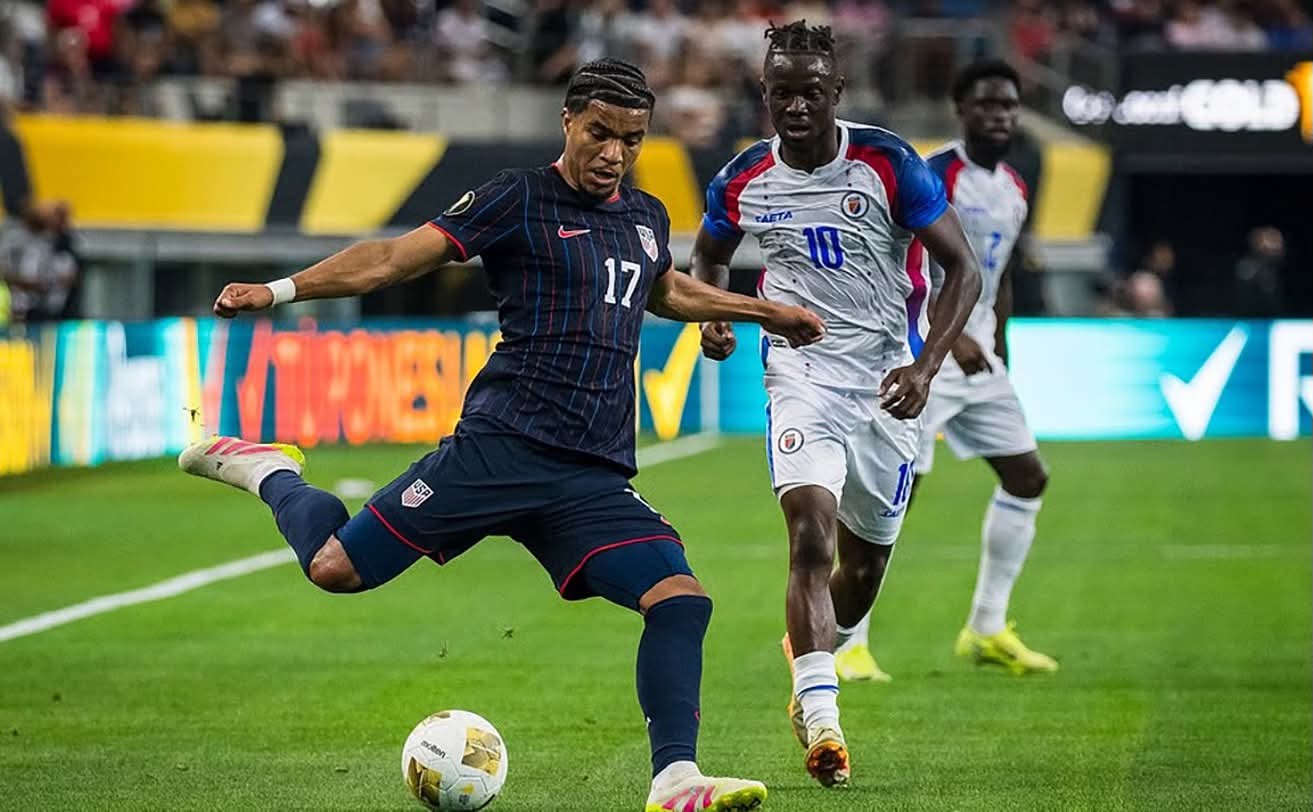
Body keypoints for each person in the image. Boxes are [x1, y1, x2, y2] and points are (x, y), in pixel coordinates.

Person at [178, 58, 826, 812]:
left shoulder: (646, 216)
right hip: (499, 448)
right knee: (332, 569)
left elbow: (664, 289)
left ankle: (675, 779)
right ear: (567, 123)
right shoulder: (517, 198)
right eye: (599, 133)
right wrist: (279, 290)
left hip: (589, 474)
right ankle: (269, 472)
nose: (613, 152)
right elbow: (390, 259)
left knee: (679, 600)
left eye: (631, 139)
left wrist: (763, 311)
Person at [692, 21, 981, 788]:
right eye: (780, 91)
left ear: (835, 93)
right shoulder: (742, 177)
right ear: (764, 91)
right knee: (809, 536)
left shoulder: (886, 163)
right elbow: (708, 254)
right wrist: (715, 314)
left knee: (863, 565)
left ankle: (814, 647)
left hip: (888, 382)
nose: (794, 105)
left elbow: (963, 270)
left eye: (809, 92)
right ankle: (821, 719)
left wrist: (924, 365)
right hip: (799, 375)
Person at [836, 60, 1058, 682]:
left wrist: (1001, 341)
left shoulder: (1013, 184)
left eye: (1010, 106)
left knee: (1027, 477)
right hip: (925, 352)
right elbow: (910, 260)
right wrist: (948, 334)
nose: (1001, 115)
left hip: (980, 353)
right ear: (962, 110)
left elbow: (1001, 271)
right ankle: (848, 640)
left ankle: (986, 627)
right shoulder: (934, 174)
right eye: (987, 105)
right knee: (893, 498)